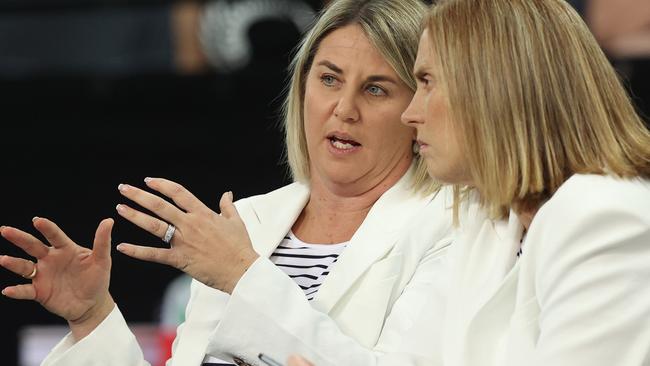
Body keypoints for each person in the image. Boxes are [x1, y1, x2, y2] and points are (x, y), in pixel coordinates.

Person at [0, 0, 453, 365]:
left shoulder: (451, 228)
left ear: (419, 109)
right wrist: (93, 319)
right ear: (301, 89)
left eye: (376, 88)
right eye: (329, 79)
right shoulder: (249, 221)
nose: (343, 108)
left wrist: (242, 274)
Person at [287, 0, 650, 365]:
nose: (411, 115)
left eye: (427, 82)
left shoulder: (603, 215)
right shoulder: (485, 219)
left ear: (495, 89)